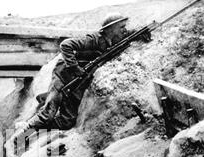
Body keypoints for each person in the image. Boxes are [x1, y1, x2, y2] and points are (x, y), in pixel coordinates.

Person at [9, 13, 152, 139]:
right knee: (49, 113)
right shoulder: (93, 40)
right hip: (63, 75)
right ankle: (19, 136)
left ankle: (35, 125)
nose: (124, 30)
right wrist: (75, 67)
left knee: (67, 121)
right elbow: (66, 45)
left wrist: (141, 33)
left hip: (77, 82)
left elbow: (129, 35)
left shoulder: (114, 39)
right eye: (121, 27)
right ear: (110, 29)